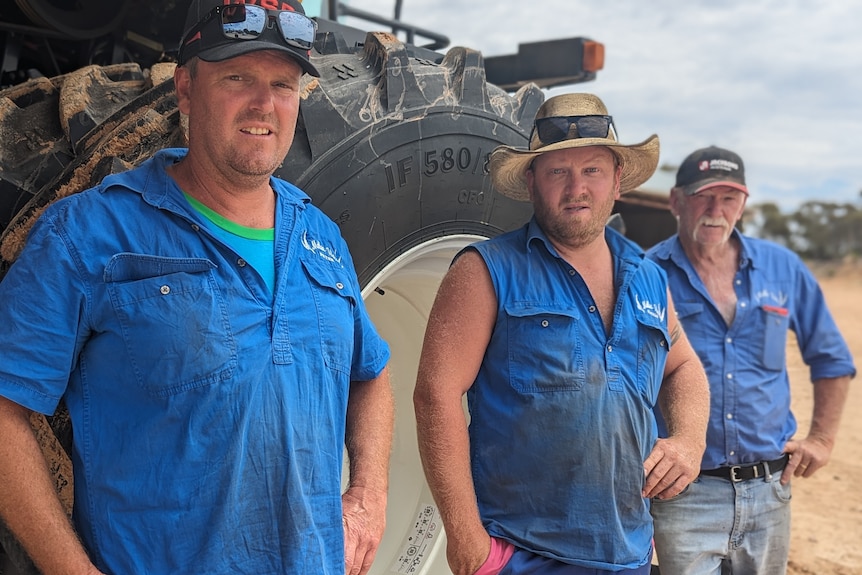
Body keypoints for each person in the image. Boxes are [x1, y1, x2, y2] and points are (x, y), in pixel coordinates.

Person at [0, 0, 395, 573]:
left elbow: (372, 372)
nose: (265, 105)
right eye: (238, 77)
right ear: (185, 88)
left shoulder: (319, 234)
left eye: (283, 85)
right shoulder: (88, 233)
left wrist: (369, 496)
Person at [413, 93, 711, 575]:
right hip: (523, 555)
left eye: (592, 170)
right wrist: (468, 541)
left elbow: (684, 366)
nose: (577, 188)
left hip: (629, 552)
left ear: (617, 182)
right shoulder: (487, 270)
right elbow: (435, 395)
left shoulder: (647, 275)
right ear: (532, 183)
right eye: (558, 172)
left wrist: (689, 442)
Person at [647, 146, 856, 575]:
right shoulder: (646, 273)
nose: (715, 210)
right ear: (676, 201)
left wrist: (821, 439)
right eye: (703, 196)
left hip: (769, 492)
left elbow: (831, 358)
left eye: (728, 198)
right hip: (683, 492)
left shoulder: (783, 268)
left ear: (743, 204)